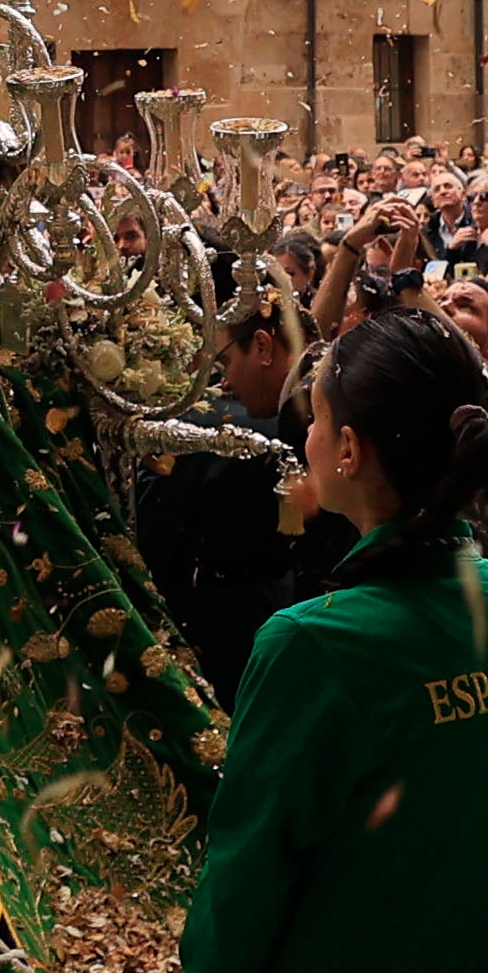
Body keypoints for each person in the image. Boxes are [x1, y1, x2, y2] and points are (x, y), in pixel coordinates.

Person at [168, 309, 488, 973]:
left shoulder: (316, 644)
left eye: (315, 418)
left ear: (348, 449)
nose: (307, 438)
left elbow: (251, 861)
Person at [135, 292, 329, 704]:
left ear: (261, 346)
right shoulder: (310, 400)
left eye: (224, 362)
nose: (224, 383)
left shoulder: (319, 409)